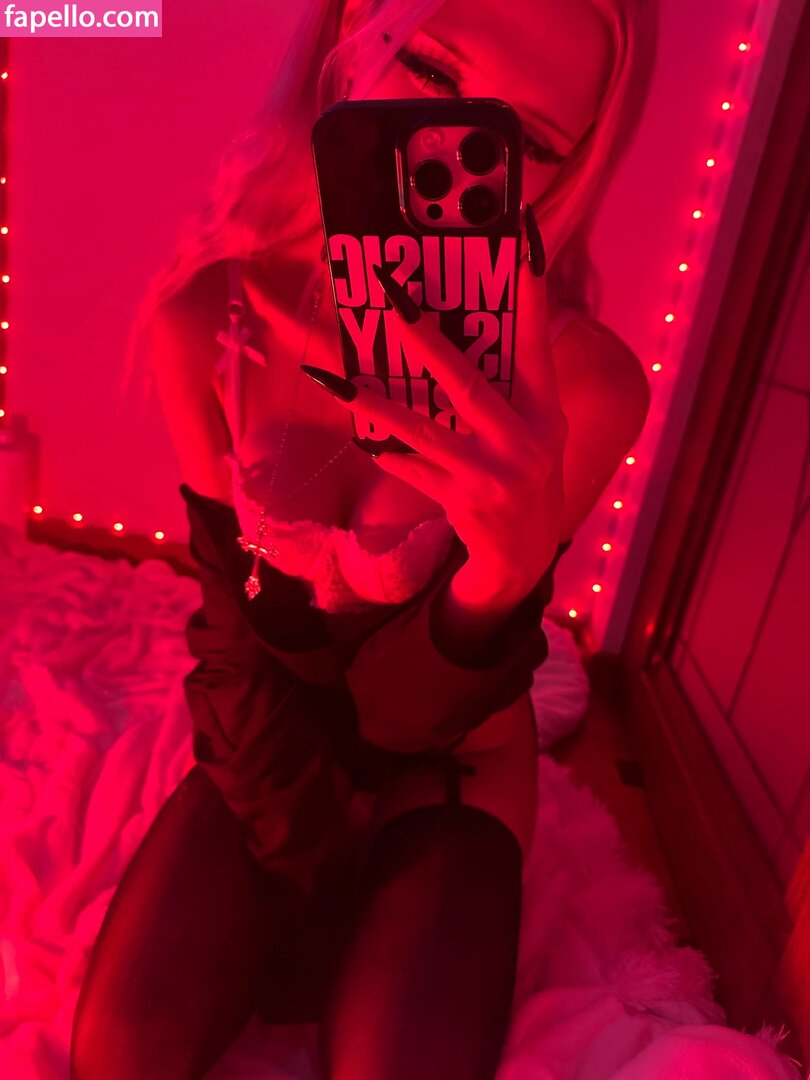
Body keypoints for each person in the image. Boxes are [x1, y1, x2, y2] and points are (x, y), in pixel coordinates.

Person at [70, 0, 656, 1077]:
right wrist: (299, 870)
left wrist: (501, 579)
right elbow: (235, 636)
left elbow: (414, 719)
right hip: (277, 722)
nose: (447, 151)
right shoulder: (211, 321)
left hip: (452, 754)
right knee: (120, 1049)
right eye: (432, 73)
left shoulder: (584, 388)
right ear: (350, 45)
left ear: (565, 172)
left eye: (524, 141)